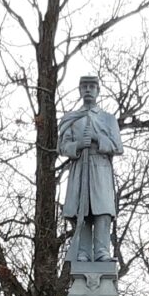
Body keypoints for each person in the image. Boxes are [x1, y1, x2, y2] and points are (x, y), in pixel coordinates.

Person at [58, 75, 122, 262]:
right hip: (80, 167)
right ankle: (83, 251)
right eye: (84, 86)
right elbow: (62, 146)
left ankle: (102, 251)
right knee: (82, 210)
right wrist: (77, 145)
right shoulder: (71, 119)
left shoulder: (108, 119)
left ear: (98, 90)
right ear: (79, 90)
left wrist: (96, 137)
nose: (88, 89)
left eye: (92, 86)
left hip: (101, 168)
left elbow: (118, 147)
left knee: (102, 209)